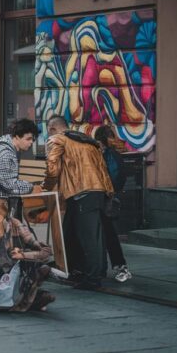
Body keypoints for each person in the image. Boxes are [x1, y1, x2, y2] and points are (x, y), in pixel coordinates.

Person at [42, 115, 113, 290]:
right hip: (95, 191)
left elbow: (52, 166)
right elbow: (102, 168)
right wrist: (108, 192)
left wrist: (46, 187)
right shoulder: (87, 141)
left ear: (52, 128)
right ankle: (77, 270)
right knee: (72, 232)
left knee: (89, 237)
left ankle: (92, 278)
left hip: (81, 192)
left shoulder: (57, 140)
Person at [94, 126, 131, 283]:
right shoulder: (115, 154)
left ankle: (118, 265)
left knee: (107, 233)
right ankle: (117, 265)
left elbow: (113, 177)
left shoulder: (106, 155)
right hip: (108, 198)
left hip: (103, 198)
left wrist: (107, 192)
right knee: (108, 234)